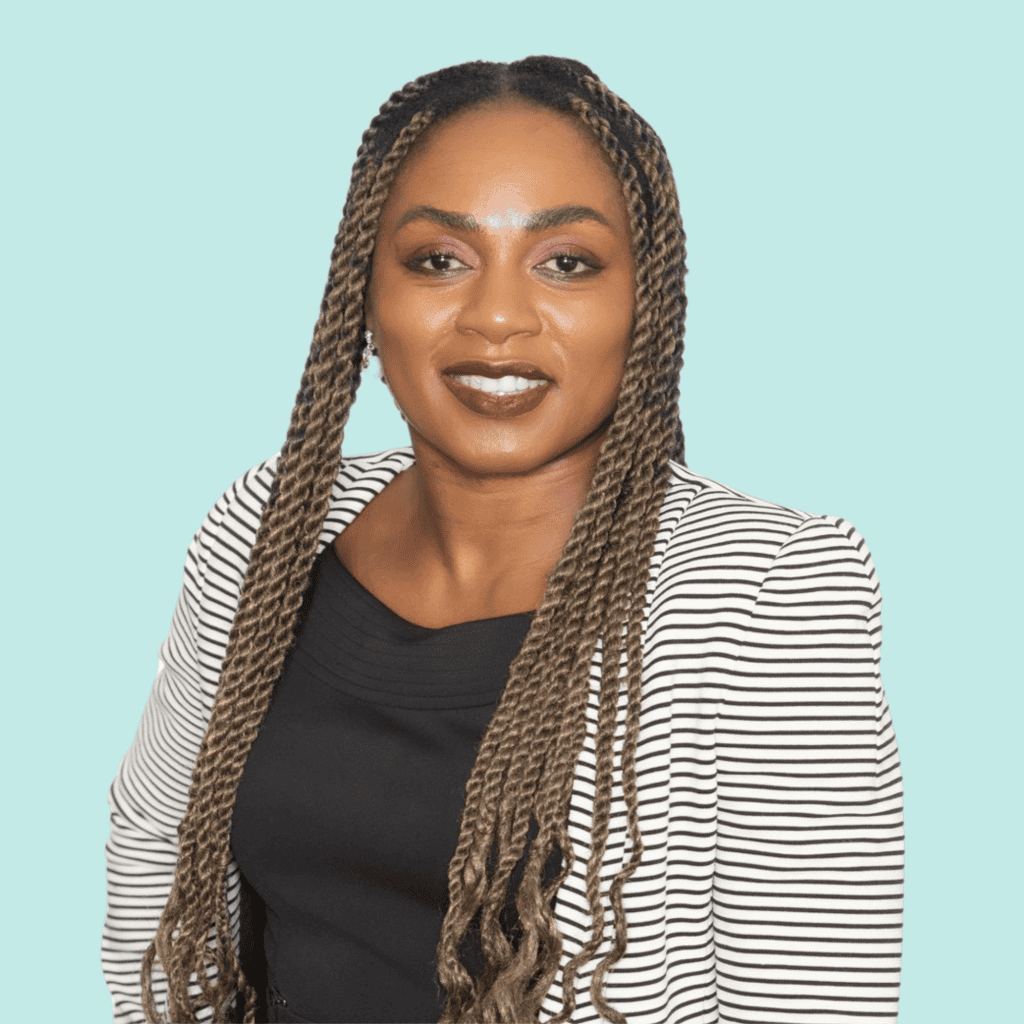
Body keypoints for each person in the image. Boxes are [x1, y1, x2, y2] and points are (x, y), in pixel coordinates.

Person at [101, 56, 905, 1024]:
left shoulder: (762, 588)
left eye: (565, 262)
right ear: (366, 295)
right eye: (438, 259)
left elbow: (813, 999)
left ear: (642, 303)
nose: (494, 317)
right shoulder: (266, 528)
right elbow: (155, 844)